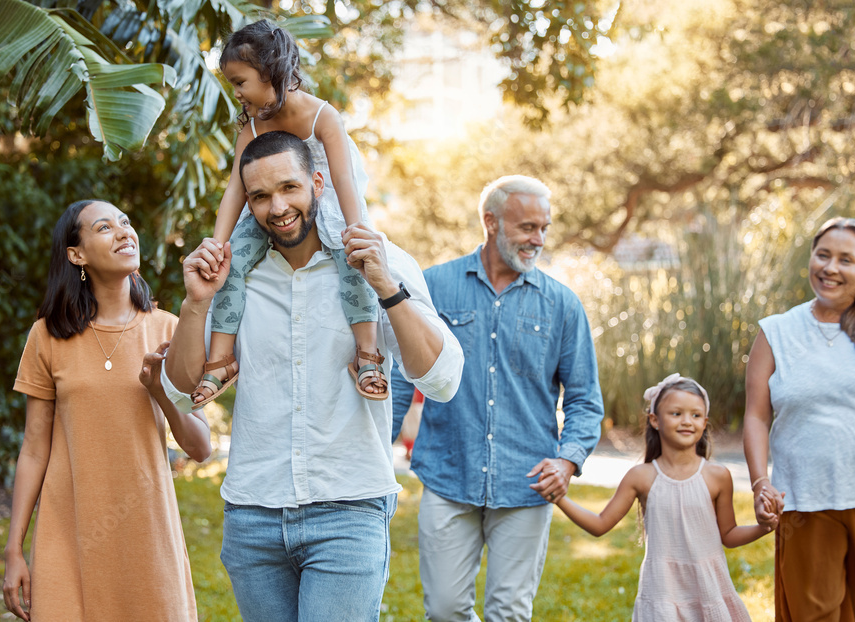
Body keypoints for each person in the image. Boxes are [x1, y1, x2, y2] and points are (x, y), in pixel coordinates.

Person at [161, 130, 464, 622]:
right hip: (253, 514)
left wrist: (386, 285)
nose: (277, 207)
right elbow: (179, 391)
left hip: (349, 509)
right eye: (259, 196)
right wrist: (196, 303)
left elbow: (444, 379)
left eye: (289, 188)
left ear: (318, 182)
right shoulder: (232, 274)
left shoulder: (378, 259)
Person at [391, 175, 604, 621]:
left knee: (509, 613)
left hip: (525, 482)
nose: (538, 239)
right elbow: (400, 380)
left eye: (543, 228)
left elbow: (584, 398)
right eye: (527, 227)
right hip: (448, 474)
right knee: (446, 611)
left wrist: (567, 459)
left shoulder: (562, 305)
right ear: (490, 222)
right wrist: (375, 454)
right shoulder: (433, 287)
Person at [2, 200, 212, 621]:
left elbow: (200, 446)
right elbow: (33, 450)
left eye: (126, 222)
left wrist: (160, 390)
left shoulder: (169, 329)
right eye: (103, 227)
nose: (123, 232)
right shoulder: (47, 337)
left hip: (147, 535)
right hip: (67, 532)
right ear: (76, 255)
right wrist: (14, 550)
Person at [190, 19, 384, 408]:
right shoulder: (254, 126)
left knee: (353, 261)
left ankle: (367, 355)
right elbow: (235, 188)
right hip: (270, 207)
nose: (237, 93)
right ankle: (220, 360)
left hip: (321, 202)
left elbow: (344, 179)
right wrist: (218, 243)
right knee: (233, 263)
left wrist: (355, 230)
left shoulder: (322, 116)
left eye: (240, 82)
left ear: (269, 71)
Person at [744, 217, 855, 620]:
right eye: (822, 255)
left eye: (845, 259)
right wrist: (760, 484)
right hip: (805, 500)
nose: (830, 267)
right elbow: (756, 416)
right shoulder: (776, 332)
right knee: (813, 615)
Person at [556, 373, 769, 621]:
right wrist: (559, 498)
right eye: (676, 413)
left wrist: (763, 527)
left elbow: (729, 535)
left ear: (705, 422)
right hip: (662, 593)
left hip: (708, 589)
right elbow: (600, 524)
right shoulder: (641, 477)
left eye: (696, 415)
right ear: (655, 420)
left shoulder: (717, 476)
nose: (687, 421)